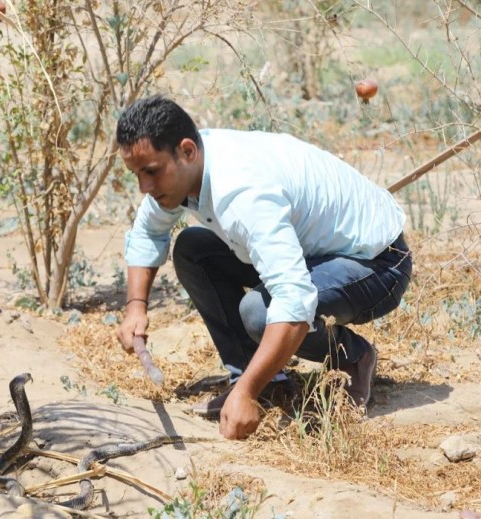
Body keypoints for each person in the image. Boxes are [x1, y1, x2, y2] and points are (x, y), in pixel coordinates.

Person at [115, 95, 412, 441]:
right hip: (312, 254)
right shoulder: (189, 167)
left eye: (151, 172)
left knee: (260, 311)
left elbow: (294, 300)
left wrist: (244, 396)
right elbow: (148, 231)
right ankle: (267, 382)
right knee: (193, 249)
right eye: (136, 174)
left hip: (377, 264)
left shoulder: (243, 193)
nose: (144, 188)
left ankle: (353, 357)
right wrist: (136, 306)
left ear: (187, 151)